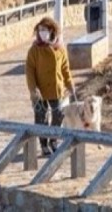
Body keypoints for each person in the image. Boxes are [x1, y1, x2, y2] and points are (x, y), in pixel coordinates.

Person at [25, 15, 75, 157]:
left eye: (45, 30)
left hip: (56, 87)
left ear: (52, 30)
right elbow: (29, 71)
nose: (42, 33)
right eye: (40, 30)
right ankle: (43, 144)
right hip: (39, 90)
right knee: (41, 117)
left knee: (59, 114)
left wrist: (70, 84)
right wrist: (33, 90)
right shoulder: (34, 50)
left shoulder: (60, 49)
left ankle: (53, 139)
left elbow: (65, 69)